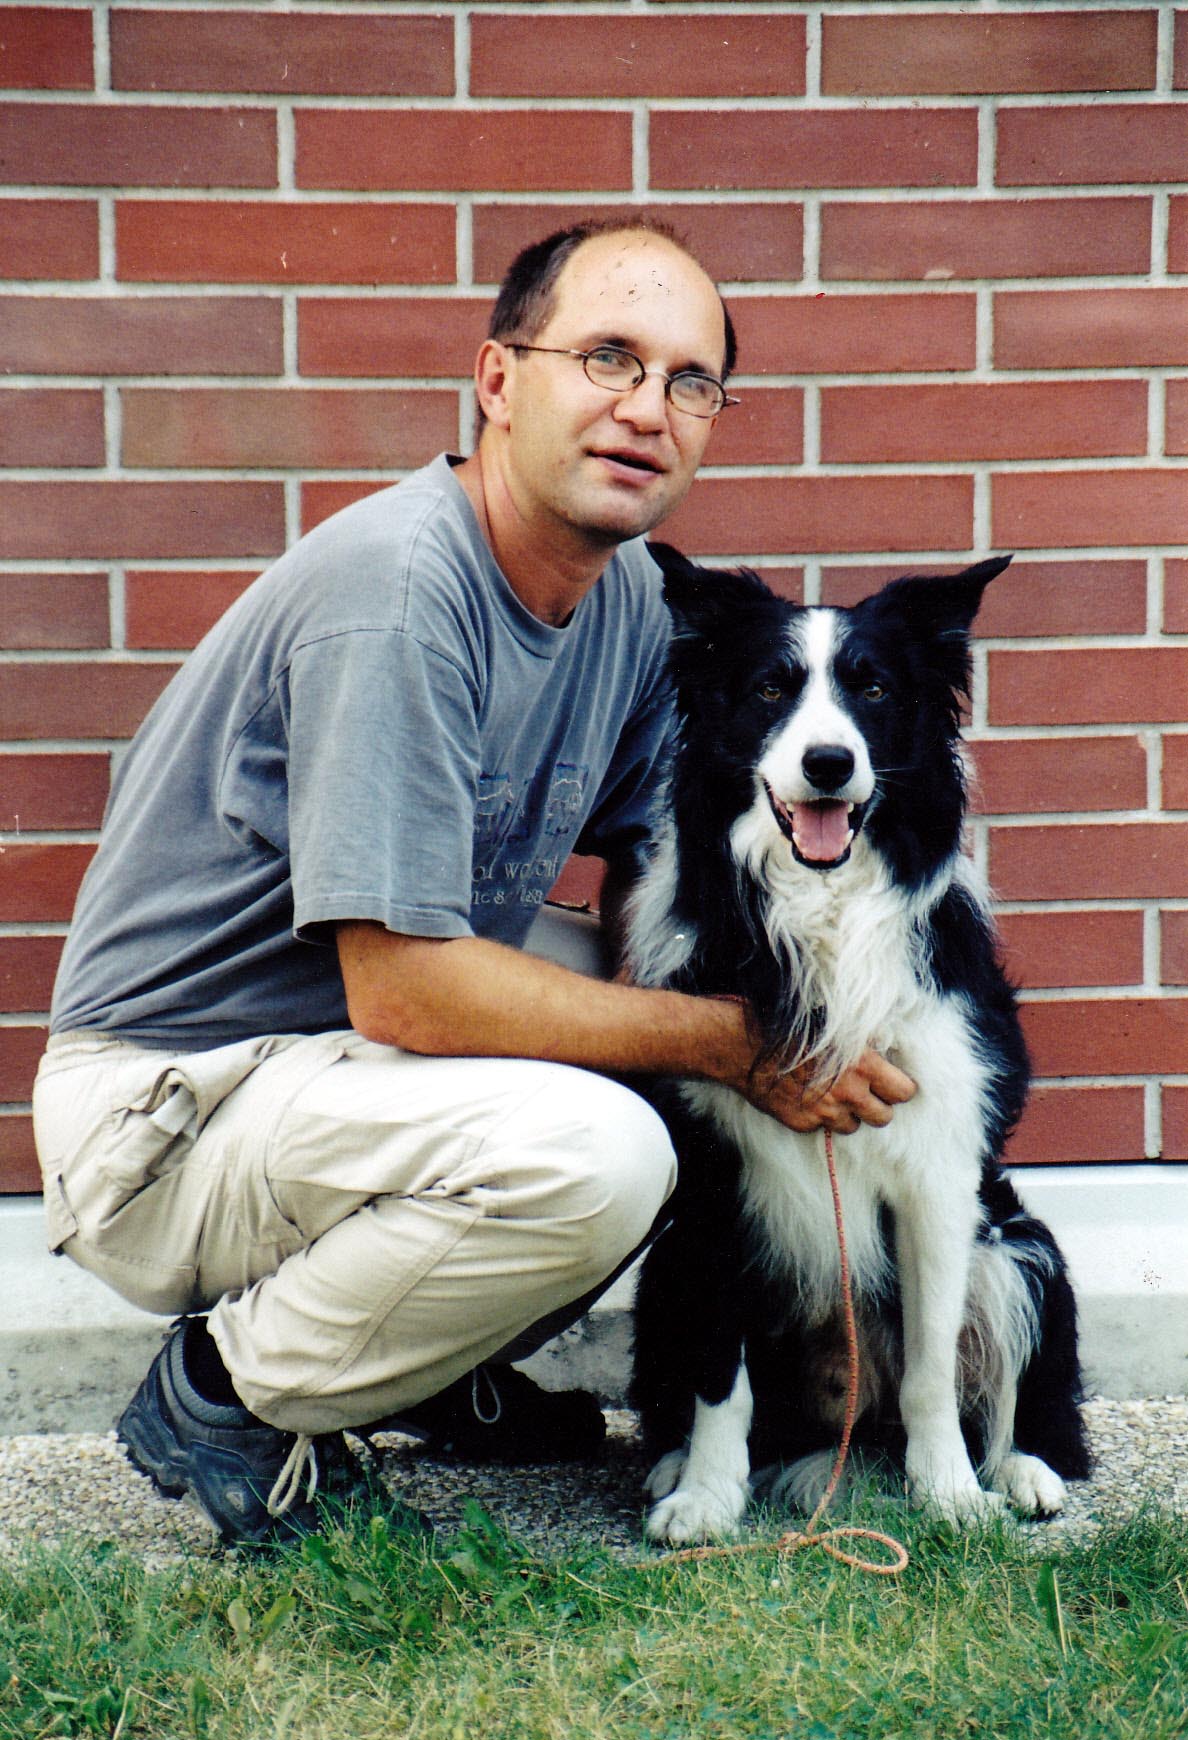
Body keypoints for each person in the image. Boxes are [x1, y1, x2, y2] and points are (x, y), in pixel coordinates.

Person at [33, 219, 914, 1546]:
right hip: (167, 1110)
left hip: (328, 1068)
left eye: (690, 381)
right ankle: (229, 1394)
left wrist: (832, 1000)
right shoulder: (398, 594)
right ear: (499, 380)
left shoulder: (623, 602)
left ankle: (423, 1364)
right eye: (607, 358)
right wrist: (737, 1044)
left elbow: (654, 875)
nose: (647, 409)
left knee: (656, 1017)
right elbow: (406, 992)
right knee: (608, 1143)